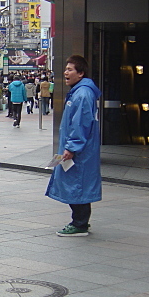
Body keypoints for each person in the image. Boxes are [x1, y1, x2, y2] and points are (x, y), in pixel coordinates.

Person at [46, 55, 101, 237]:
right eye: (66, 69)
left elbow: (81, 124)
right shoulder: (79, 92)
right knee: (76, 184)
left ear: (81, 73)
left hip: (78, 152)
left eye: (70, 69)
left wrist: (71, 147)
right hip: (76, 149)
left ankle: (80, 224)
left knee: (78, 185)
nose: (66, 72)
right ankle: (80, 220)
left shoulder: (83, 94)